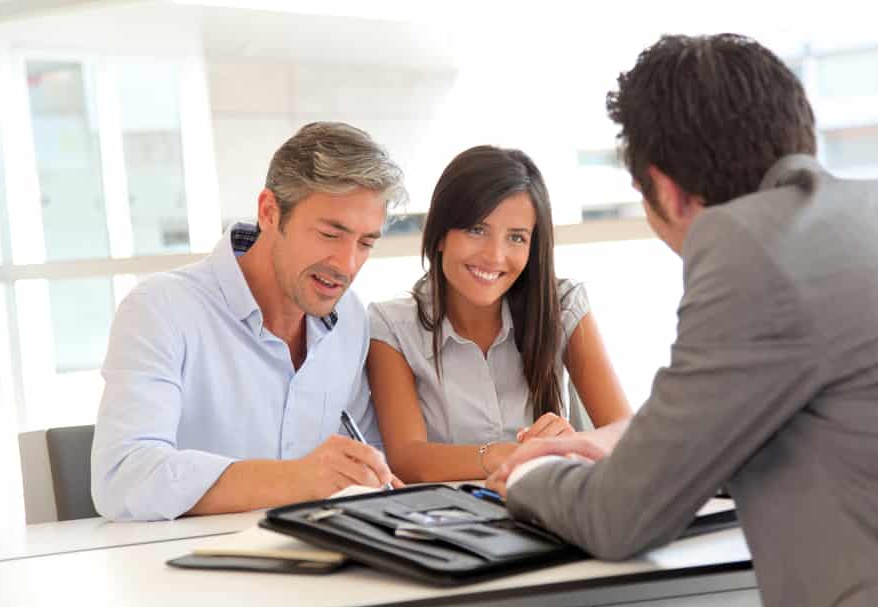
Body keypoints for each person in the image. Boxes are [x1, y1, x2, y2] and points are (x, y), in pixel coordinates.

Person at [487, 34, 878, 607]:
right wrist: (619, 444)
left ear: (666, 192)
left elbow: (619, 519)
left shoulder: (750, 246)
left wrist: (528, 474)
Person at [91, 121, 405, 521]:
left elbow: (363, 464)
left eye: (365, 243)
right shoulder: (161, 309)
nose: (347, 264)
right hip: (185, 571)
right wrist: (298, 480)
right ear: (270, 212)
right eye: (330, 234)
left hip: (316, 564)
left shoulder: (350, 320)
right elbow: (122, 479)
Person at [367, 145, 631, 482]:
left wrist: (572, 443)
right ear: (441, 234)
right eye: (477, 230)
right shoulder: (391, 327)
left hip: (545, 507)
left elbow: (624, 431)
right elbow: (407, 458)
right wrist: (503, 455)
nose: (494, 256)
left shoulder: (562, 305)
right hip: (448, 519)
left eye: (516, 238)